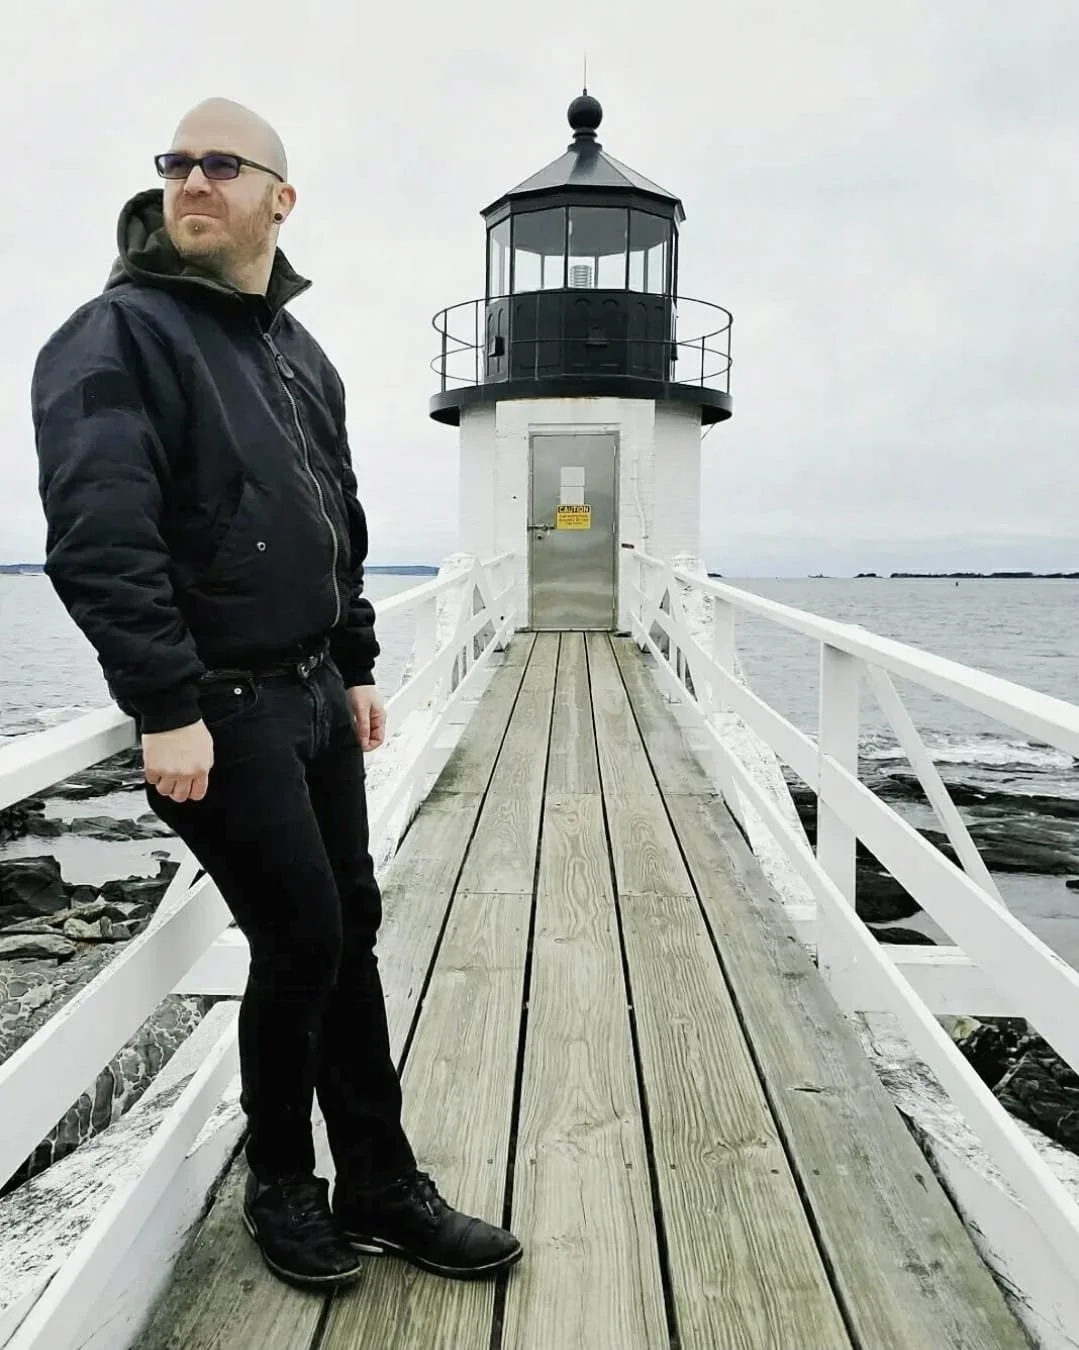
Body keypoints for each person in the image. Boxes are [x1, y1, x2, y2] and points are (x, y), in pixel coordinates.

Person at [30, 97, 521, 1291]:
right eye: (176, 164)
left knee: (349, 925)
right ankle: (282, 1184)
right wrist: (163, 703)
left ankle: (380, 1183)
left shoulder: (299, 353)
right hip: (218, 708)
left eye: (221, 165)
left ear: (277, 198)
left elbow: (335, 520)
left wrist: (352, 661)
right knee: (302, 935)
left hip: (308, 694)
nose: (191, 182)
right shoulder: (114, 336)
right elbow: (102, 537)